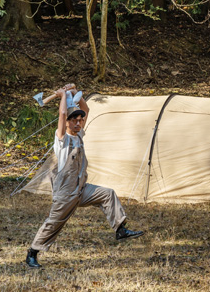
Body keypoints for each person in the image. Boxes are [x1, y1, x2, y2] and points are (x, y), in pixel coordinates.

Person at [25, 84, 144, 269]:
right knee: (53, 224)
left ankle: (120, 229)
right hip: (65, 193)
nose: (79, 123)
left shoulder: (79, 135)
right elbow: (63, 114)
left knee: (107, 193)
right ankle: (32, 253)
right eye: (75, 120)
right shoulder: (62, 140)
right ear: (67, 123)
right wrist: (63, 95)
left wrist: (74, 92)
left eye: (80, 120)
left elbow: (86, 109)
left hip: (81, 189)